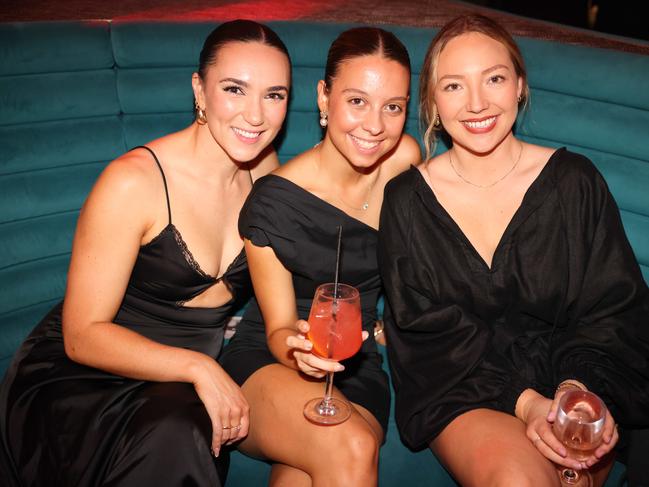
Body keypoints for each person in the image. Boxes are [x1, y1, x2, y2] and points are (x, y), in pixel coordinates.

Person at [0, 19, 290, 486]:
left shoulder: (264, 170)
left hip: (178, 390)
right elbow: (82, 335)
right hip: (88, 379)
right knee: (179, 432)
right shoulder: (134, 181)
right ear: (199, 89)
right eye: (235, 89)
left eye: (274, 95)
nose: (256, 116)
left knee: (180, 425)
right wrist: (201, 367)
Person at [378, 14, 649, 487]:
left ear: (519, 86)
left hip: (577, 379)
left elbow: (614, 310)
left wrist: (572, 393)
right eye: (454, 86)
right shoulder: (406, 201)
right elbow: (425, 336)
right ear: (434, 104)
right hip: (464, 386)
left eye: (494, 79)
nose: (477, 103)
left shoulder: (574, 182)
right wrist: (527, 403)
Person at [220, 27, 420, 486]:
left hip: (358, 364)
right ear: (324, 98)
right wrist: (299, 354)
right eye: (357, 101)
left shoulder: (404, 160)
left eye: (393, 107)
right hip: (272, 362)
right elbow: (277, 329)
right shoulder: (272, 204)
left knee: (307, 470)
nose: (375, 125)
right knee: (351, 445)